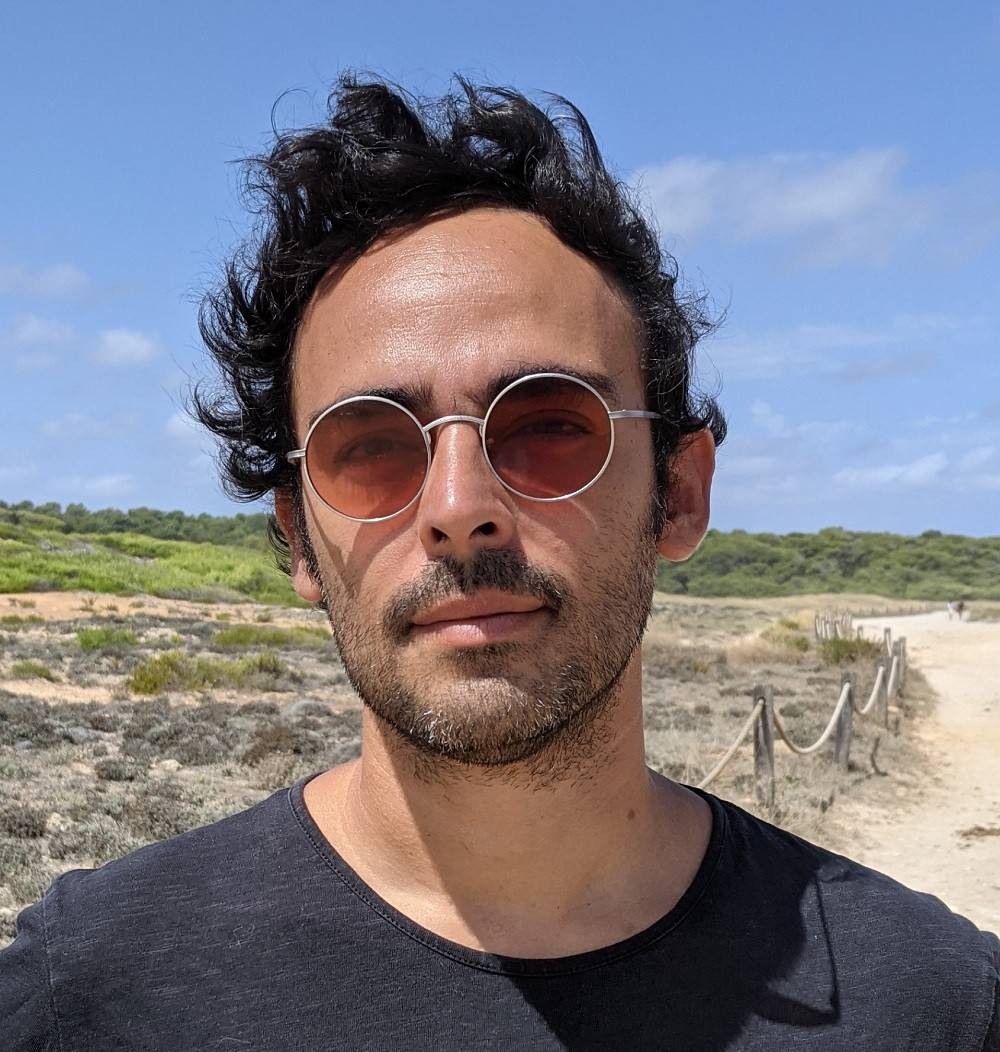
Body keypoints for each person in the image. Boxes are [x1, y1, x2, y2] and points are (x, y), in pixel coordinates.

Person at [3, 75, 998, 1050]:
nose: (458, 508)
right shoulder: (92, 995)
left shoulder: (934, 1004)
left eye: (549, 425)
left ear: (679, 493)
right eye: (370, 444)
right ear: (299, 536)